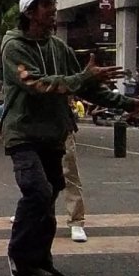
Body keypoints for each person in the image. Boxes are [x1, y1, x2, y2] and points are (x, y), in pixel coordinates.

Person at [1, 0, 139, 276]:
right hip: (23, 134)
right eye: (46, 5)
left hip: (54, 134)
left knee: (51, 191)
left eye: (54, 3)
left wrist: (127, 103)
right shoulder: (14, 46)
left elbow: (86, 88)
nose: (53, 9)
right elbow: (36, 84)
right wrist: (85, 77)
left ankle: (40, 261)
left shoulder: (59, 48)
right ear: (29, 12)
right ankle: (18, 255)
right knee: (37, 191)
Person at [63, 98, 87, 243]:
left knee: (69, 174)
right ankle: (30, 213)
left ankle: (76, 221)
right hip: (32, 127)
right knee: (34, 174)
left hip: (61, 125)